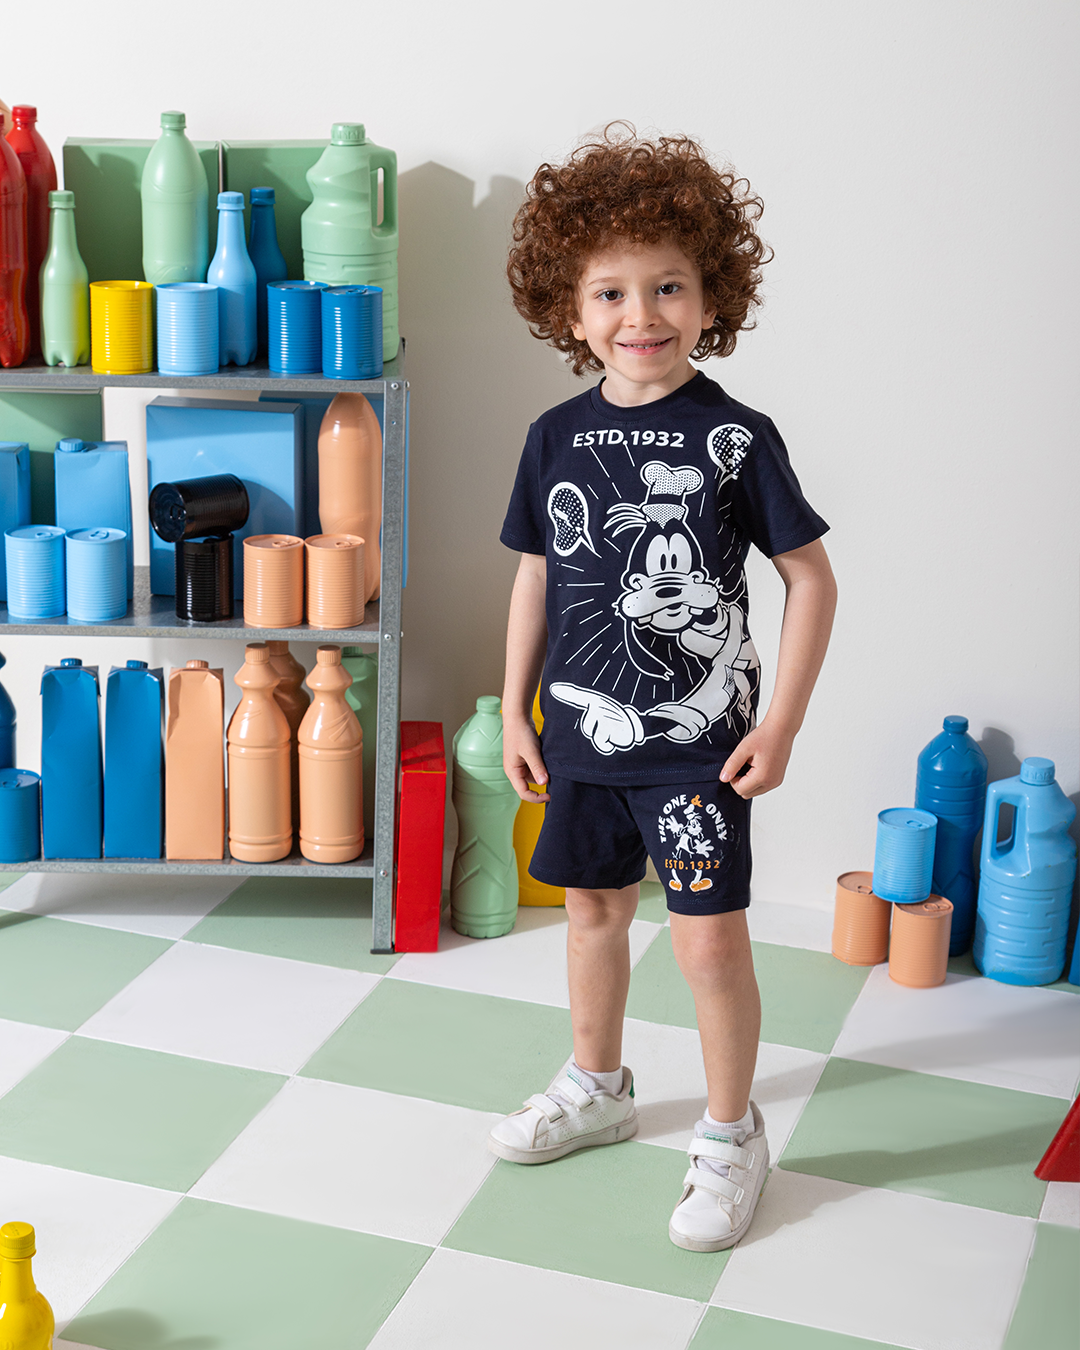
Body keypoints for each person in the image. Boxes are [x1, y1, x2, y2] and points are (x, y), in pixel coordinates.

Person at [491, 127, 837, 1252]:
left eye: (669, 286)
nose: (641, 314)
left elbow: (810, 578)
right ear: (570, 308)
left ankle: (734, 1135)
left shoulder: (737, 438)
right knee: (590, 914)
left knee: (707, 944)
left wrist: (780, 723)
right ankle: (599, 1086)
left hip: (698, 752)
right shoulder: (553, 437)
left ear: (711, 296)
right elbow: (535, 580)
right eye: (611, 292)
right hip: (581, 741)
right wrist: (516, 707)